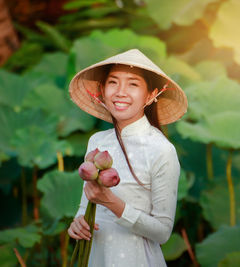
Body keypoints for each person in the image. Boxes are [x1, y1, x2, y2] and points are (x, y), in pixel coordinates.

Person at [67, 49, 188, 267]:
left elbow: (162, 232)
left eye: (133, 84)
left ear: (151, 95)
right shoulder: (97, 142)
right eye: (113, 82)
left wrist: (113, 204)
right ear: (102, 91)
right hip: (97, 258)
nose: (121, 92)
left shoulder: (162, 150)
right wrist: (78, 222)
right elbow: (87, 202)